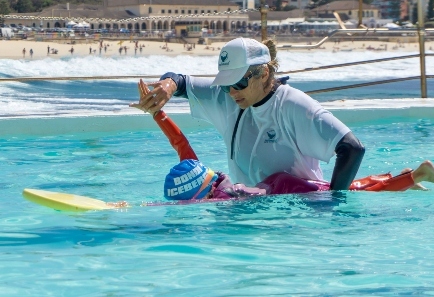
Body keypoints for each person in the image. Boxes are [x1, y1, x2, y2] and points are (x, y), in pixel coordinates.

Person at [132, 80, 434, 201]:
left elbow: (252, 192)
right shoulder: (203, 175)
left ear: (198, 194)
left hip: (287, 186)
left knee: (345, 192)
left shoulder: (224, 194)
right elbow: (181, 145)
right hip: (281, 182)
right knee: (349, 187)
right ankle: (404, 177)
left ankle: (414, 175)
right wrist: (158, 115)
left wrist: (133, 206)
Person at [132, 37, 366, 191]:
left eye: (238, 84)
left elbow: (352, 147)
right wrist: (168, 87)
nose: (231, 92)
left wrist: (335, 204)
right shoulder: (226, 97)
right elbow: (180, 80)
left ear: (263, 73)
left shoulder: (293, 105)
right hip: (248, 209)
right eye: (225, 84)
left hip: (296, 214)